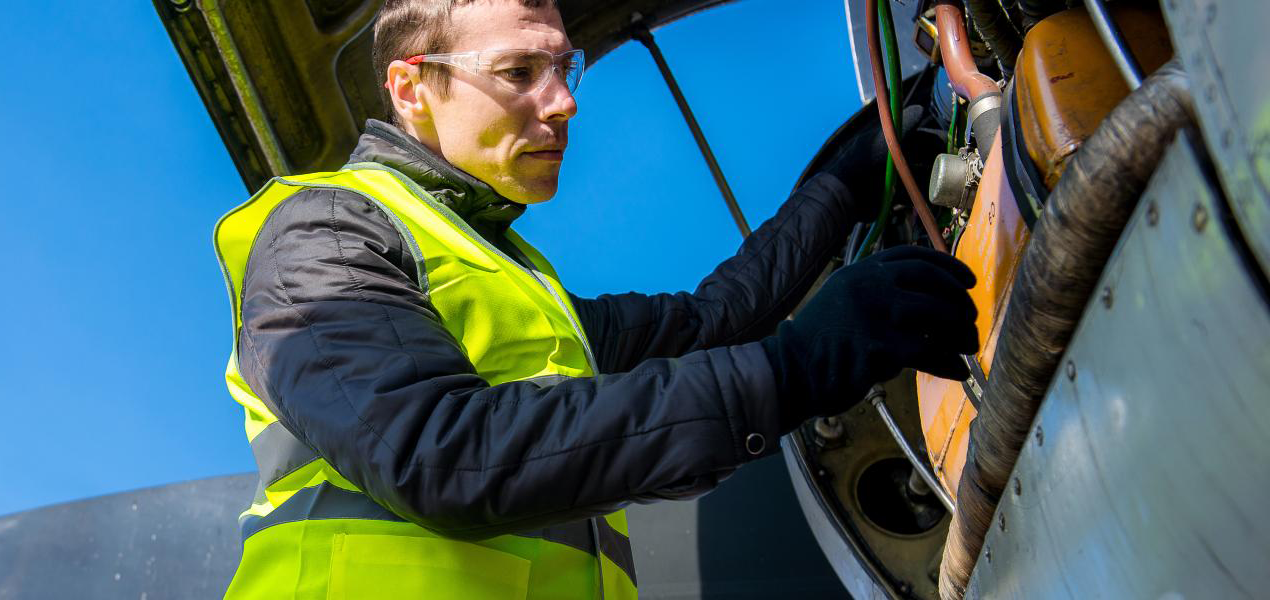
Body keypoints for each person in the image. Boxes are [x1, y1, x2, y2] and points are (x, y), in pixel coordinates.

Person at [213, 0, 979, 597]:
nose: (564, 103)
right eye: (518, 72)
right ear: (412, 88)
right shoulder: (325, 234)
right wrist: (795, 370)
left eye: (563, 70)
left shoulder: (519, 288)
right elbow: (438, 454)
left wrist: (844, 185)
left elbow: (711, 322)